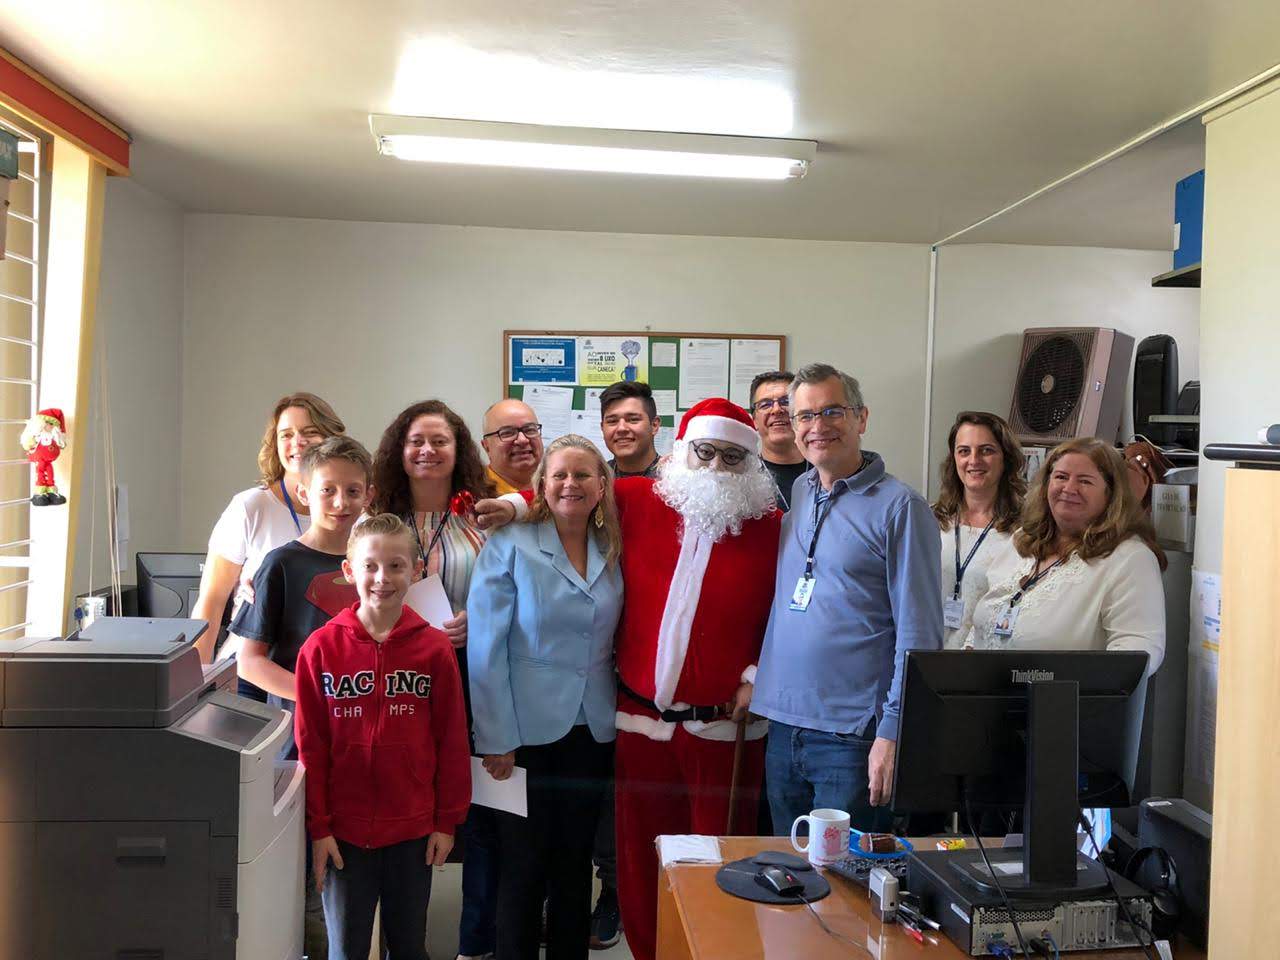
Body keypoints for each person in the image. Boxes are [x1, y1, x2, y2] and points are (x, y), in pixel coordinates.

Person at [472, 399, 781, 960]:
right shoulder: (640, 501)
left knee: (710, 862)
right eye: (705, 452)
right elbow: (571, 486)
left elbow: (793, 614)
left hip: (710, 730)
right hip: (627, 725)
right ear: (683, 452)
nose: (715, 466)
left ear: (751, 462)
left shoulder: (773, 528)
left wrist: (759, 674)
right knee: (622, 860)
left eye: (732, 456)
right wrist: (515, 504)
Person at [751, 364, 943, 837]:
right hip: (783, 727)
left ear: (861, 418)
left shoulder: (901, 508)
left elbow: (920, 635)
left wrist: (893, 733)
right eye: (805, 416)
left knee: (845, 879)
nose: (818, 426)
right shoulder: (801, 491)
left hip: (853, 738)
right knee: (792, 873)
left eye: (832, 411)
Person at [467, 435, 624, 960]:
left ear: (601, 487)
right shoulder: (510, 544)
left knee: (575, 864)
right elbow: (486, 649)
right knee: (523, 868)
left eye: (582, 475)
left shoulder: (612, 547)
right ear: (542, 484)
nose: (570, 484)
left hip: (592, 729)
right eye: (559, 475)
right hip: (522, 734)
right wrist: (495, 738)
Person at [295, 513, 472, 960]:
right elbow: (311, 748)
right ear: (349, 570)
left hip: (413, 832)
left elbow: (452, 740)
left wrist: (446, 822)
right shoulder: (320, 649)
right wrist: (320, 828)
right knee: (346, 949)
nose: (382, 578)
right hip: (343, 834)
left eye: (396, 566)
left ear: (417, 570)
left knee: (410, 946)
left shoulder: (434, 649)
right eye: (370, 566)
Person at [226, 434, 372, 959]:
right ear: (305, 493)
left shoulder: (378, 562)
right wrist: (318, 700)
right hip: (304, 747)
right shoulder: (281, 564)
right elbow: (250, 662)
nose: (341, 502)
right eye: (328, 489)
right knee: (309, 872)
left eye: (353, 490)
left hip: (369, 744)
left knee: (358, 869)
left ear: (369, 494)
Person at [368, 401, 499, 960]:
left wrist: (480, 619)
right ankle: (401, 942)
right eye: (416, 441)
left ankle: (476, 942)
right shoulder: (377, 518)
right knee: (405, 805)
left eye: (440, 441)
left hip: (473, 674)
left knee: (483, 809)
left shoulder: (482, 517)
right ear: (399, 451)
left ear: (458, 449)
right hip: (398, 681)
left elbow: (511, 592)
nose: (427, 451)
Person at [961, 437, 1167, 672]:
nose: (1069, 489)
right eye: (1061, 477)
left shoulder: (1130, 558)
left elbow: (1138, 652)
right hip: (984, 691)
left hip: (1060, 694)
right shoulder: (1022, 540)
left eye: (1085, 481)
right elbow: (986, 621)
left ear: (1111, 493)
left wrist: (1070, 687)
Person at [192, 392, 345, 665]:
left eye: (310, 432)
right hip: (249, 665)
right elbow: (212, 601)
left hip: (327, 667)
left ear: (331, 438)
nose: (297, 442)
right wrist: (197, 678)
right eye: (286, 435)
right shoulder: (250, 507)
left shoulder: (354, 513)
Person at [932, 411, 1026, 648]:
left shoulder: (1025, 530)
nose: (974, 460)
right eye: (964, 451)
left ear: (1006, 458)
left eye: (986, 450)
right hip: (927, 651)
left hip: (983, 656)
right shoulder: (931, 520)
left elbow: (1015, 603)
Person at [748, 370, 808, 512]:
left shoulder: (826, 471)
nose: (776, 410)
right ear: (754, 420)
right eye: (765, 405)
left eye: (786, 401)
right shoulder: (744, 477)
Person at [481, 399, 545, 495]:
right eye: (507, 433)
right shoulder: (473, 496)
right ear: (487, 446)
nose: (523, 440)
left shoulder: (558, 488)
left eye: (529, 430)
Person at [599, 380, 661, 478]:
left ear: (654, 425)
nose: (621, 428)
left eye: (633, 419)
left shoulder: (675, 478)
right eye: (612, 421)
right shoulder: (597, 479)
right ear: (602, 428)